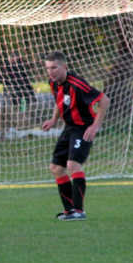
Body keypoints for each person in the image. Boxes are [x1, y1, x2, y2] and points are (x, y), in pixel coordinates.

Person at [41, 51, 110, 221]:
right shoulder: (53, 83)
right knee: (56, 168)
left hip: (83, 128)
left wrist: (94, 127)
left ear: (64, 66)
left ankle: (79, 211)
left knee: (72, 164)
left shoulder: (77, 84)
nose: (51, 72)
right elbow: (60, 100)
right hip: (69, 128)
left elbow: (104, 100)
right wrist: (54, 119)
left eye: (54, 67)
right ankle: (70, 211)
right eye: (48, 68)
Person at [0, 51, 36, 139]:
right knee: (9, 111)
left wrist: (32, 93)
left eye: (15, 57)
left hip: (22, 94)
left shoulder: (20, 67)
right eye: (11, 57)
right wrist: (7, 83)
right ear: (9, 58)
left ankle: (21, 126)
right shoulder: (5, 67)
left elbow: (26, 81)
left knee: (22, 108)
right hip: (10, 92)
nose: (13, 59)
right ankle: (7, 129)